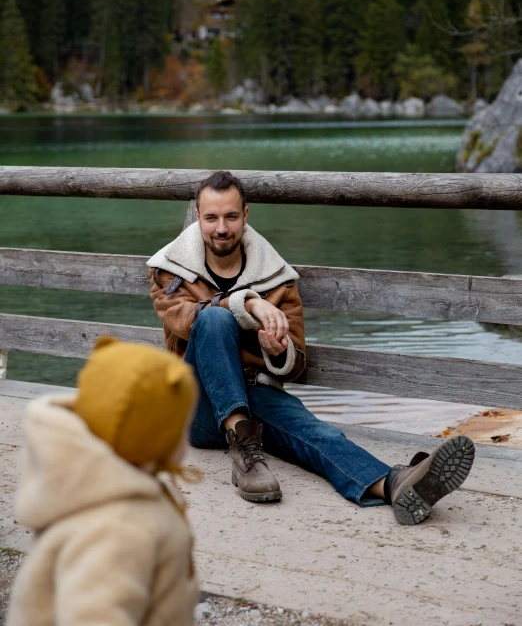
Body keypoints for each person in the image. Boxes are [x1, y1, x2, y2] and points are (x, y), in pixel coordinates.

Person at [148, 170, 475, 526]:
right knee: (214, 320)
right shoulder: (171, 270)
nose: (221, 228)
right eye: (211, 218)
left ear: (246, 215)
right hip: (198, 408)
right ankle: (245, 454)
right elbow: (185, 318)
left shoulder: (276, 277)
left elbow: (296, 363)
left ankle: (393, 484)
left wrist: (276, 351)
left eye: (230, 216)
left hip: (256, 394)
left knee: (314, 431)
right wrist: (251, 304)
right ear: (198, 217)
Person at [6, 337, 200, 626]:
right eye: (181, 427)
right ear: (150, 435)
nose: (186, 437)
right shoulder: (118, 528)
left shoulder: (120, 486)